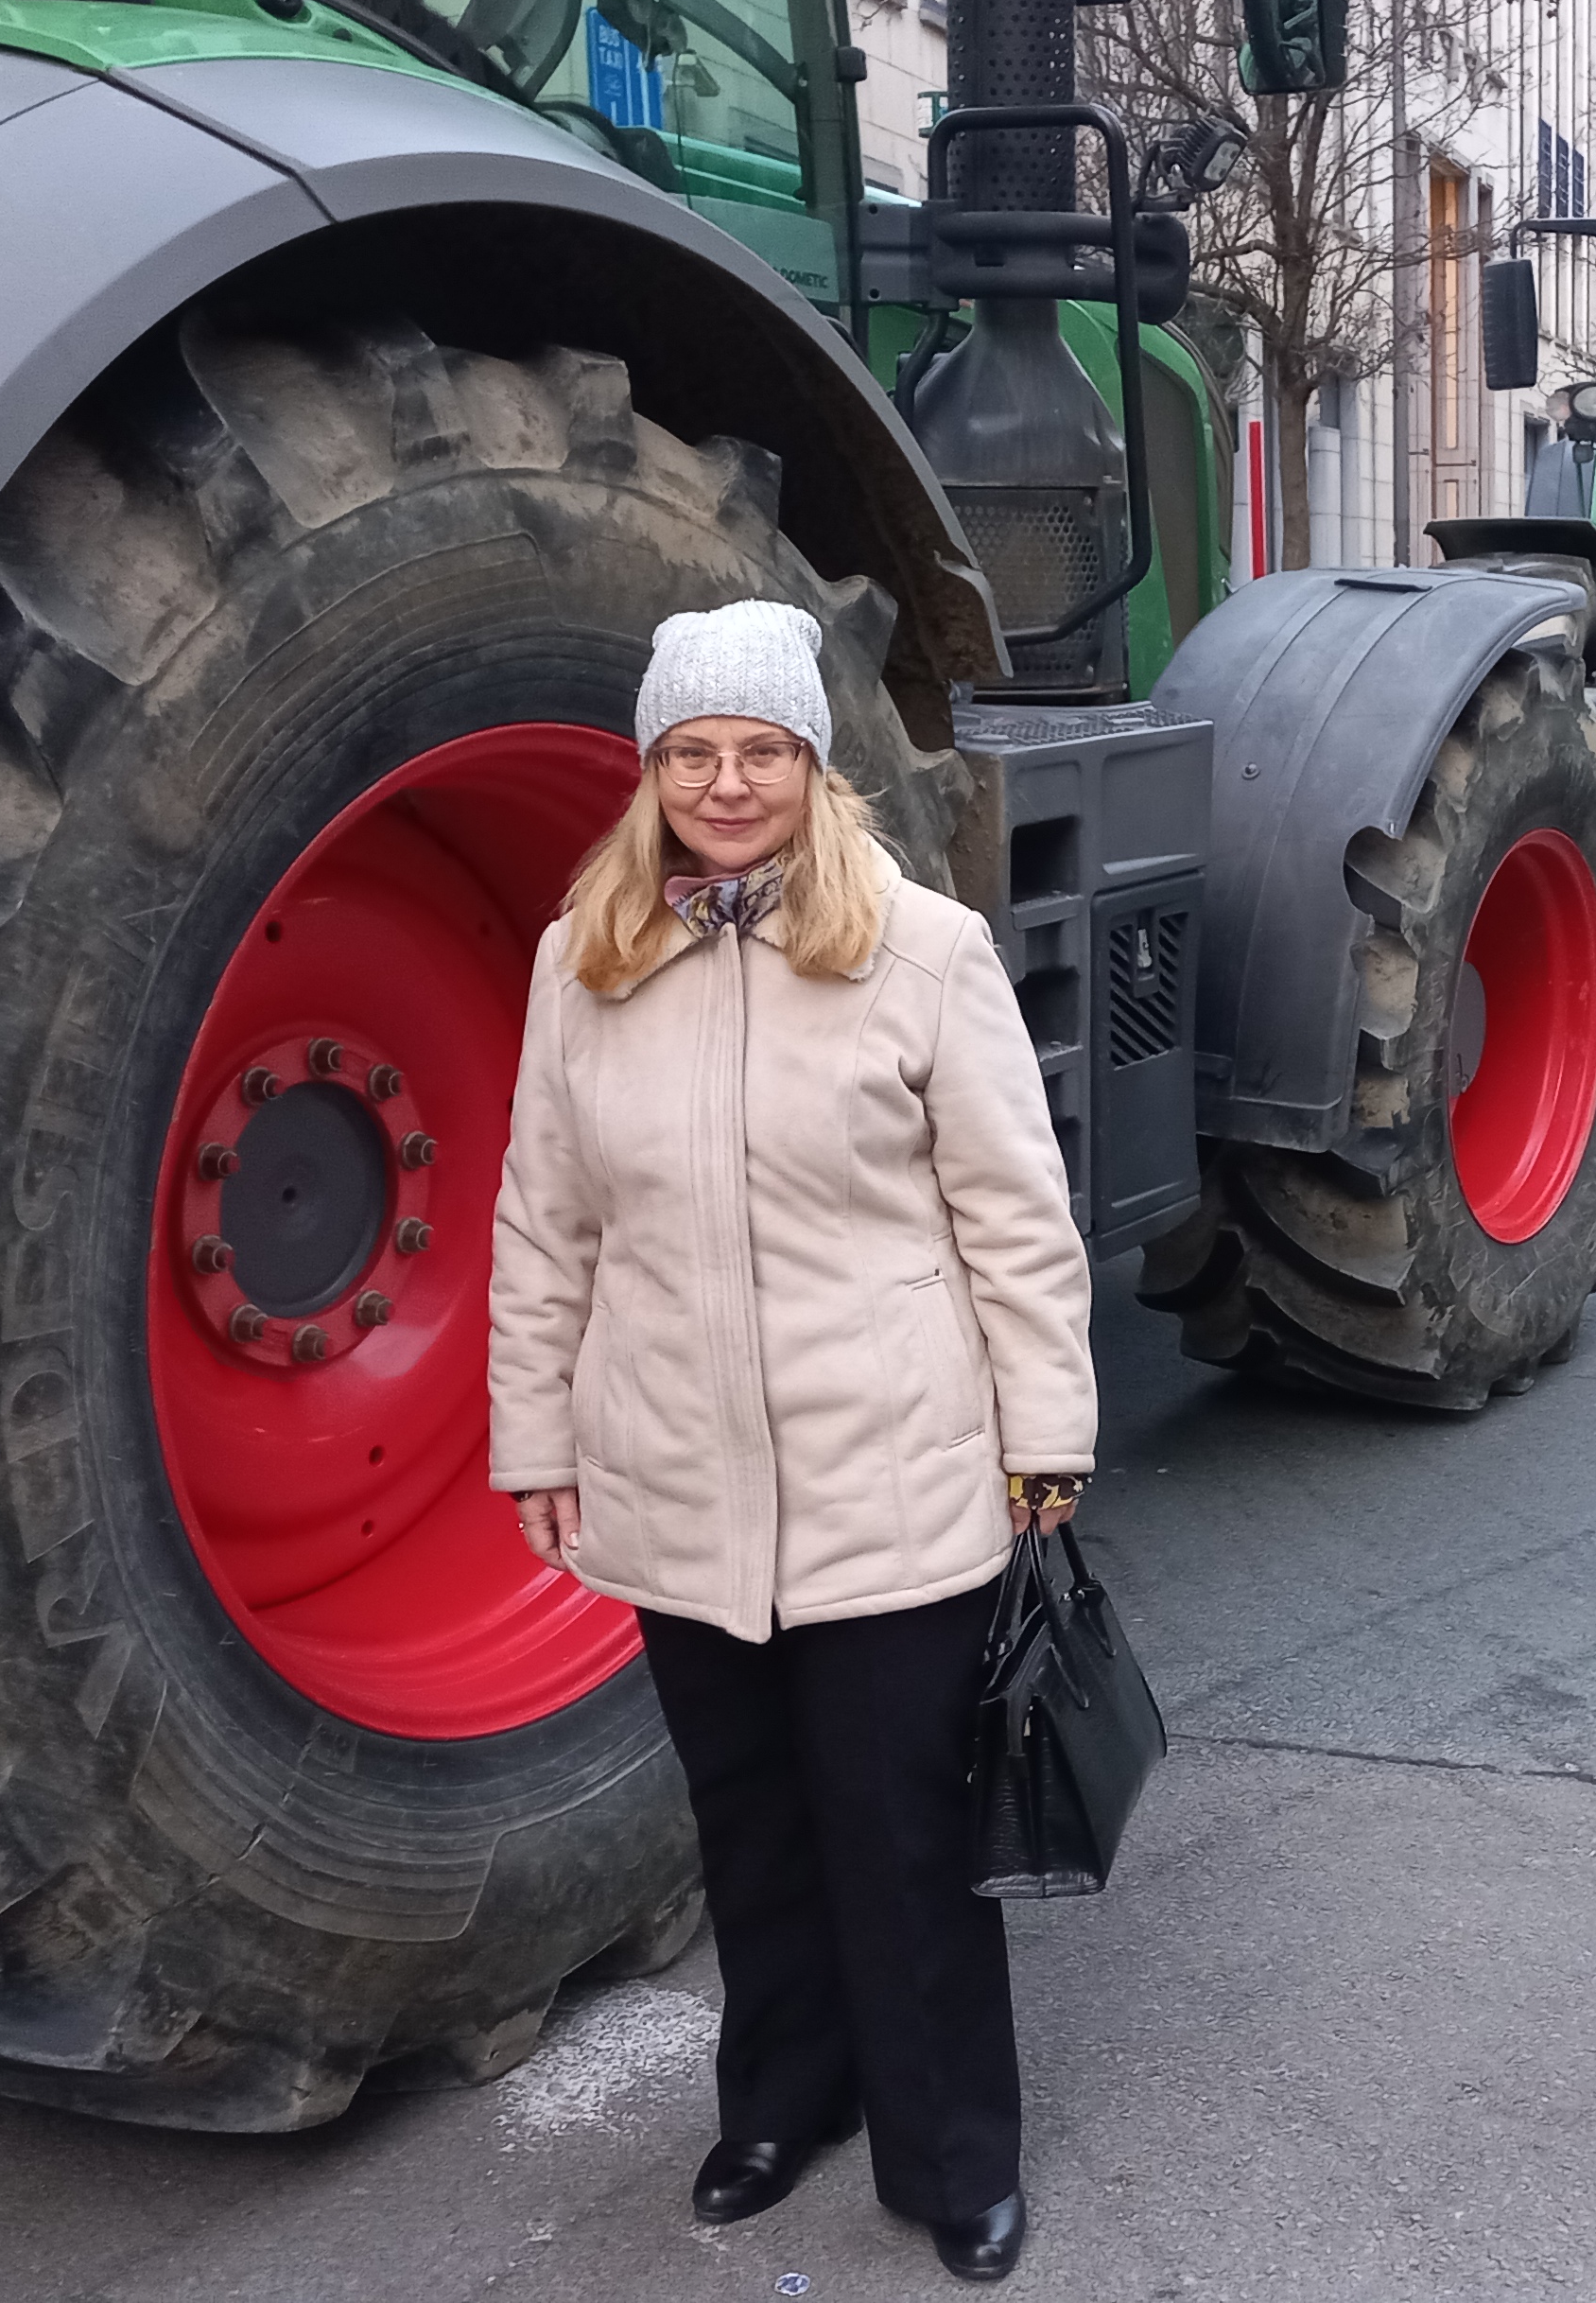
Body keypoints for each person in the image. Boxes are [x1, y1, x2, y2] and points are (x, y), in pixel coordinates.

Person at [486, 598, 1093, 2285]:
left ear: (816, 767)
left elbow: (1015, 1222)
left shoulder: (923, 953)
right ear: (652, 771)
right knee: (748, 1822)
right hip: (678, 1477)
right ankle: (782, 2101)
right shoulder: (585, 959)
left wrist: (1046, 1437)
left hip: (887, 1471)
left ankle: (952, 2154)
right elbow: (544, 1225)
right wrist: (535, 1438)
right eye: (693, 753)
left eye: (761, 750)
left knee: (902, 1836)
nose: (727, 784)